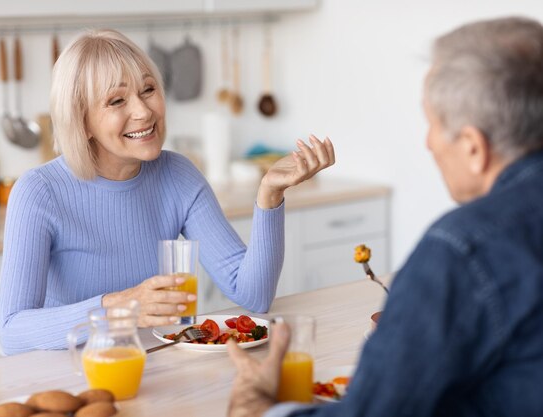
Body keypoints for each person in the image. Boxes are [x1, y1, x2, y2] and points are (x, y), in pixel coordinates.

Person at [228, 16, 543, 417]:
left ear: (472, 147)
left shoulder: (463, 249)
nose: (427, 142)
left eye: (432, 124)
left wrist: (256, 407)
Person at [0, 29, 335, 355]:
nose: (144, 111)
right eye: (117, 100)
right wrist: (120, 307)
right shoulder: (39, 192)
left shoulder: (177, 175)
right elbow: (11, 331)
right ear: (81, 121)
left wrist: (269, 195)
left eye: (148, 89)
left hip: (157, 368)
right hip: (73, 382)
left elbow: (254, 295)